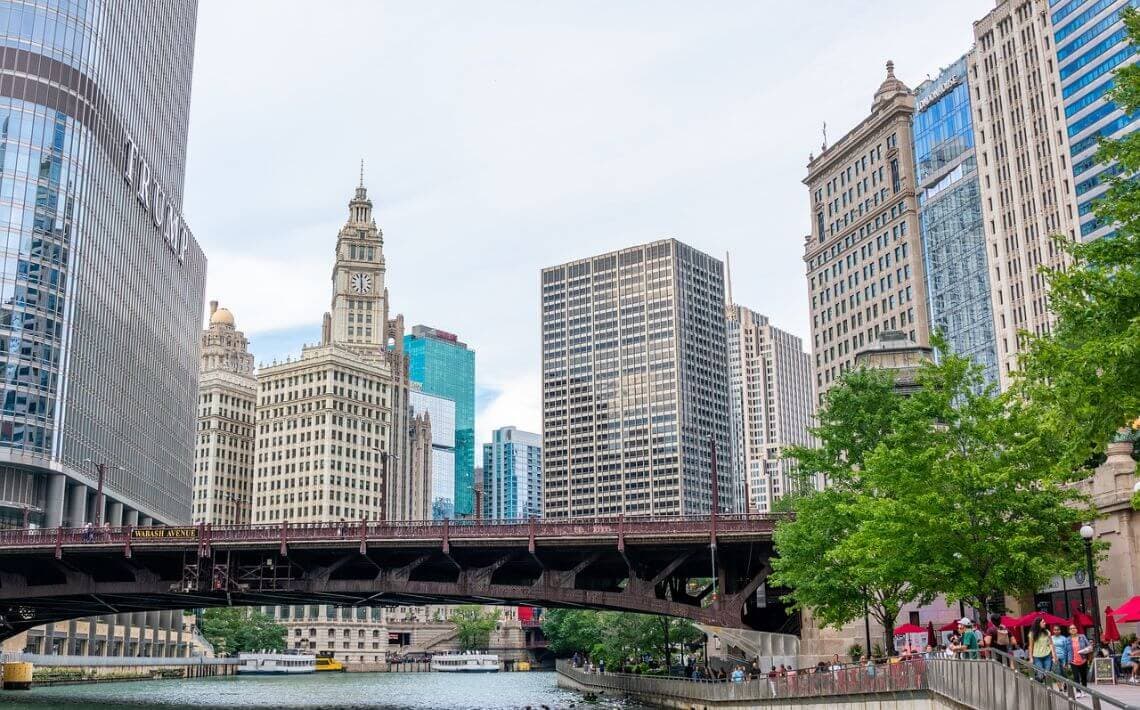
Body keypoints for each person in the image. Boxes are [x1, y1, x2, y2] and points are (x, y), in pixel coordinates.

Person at [1066, 623, 1092, 696]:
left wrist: (1087, 650)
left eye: (1074, 628)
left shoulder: (1082, 637)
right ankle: (1078, 692)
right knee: (1076, 677)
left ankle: (1084, 690)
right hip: (1073, 661)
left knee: (1083, 676)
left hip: (1083, 660)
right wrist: (1066, 662)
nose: (1073, 629)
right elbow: (1066, 651)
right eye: (1071, 629)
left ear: (1076, 629)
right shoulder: (1067, 639)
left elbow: (1089, 646)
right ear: (1069, 631)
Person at [1029, 617, 1056, 682]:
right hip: (1037, 657)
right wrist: (1031, 658)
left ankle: (1048, 690)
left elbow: (1051, 644)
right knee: (1040, 675)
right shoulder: (1032, 633)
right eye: (1043, 622)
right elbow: (1031, 646)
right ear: (1038, 624)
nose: (1045, 623)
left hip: (1047, 656)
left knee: (1047, 675)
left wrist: (1054, 656)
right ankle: (1040, 684)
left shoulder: (1047, 632)